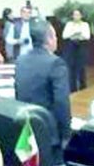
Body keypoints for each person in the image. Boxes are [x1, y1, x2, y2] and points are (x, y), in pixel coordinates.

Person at [15, 18, 72, 147]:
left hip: (26, 126)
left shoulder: (21, 60)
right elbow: (61, 101)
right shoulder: (56, 63)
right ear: (49, 39)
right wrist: (66, 133)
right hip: (49, 130)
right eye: (55, 36)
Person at [61, 8, 90, 93]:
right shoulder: (69, 24)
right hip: (71, 45)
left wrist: (80, 34)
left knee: (81, 67)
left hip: (81, 45)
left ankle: (83, 87)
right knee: (71, 67)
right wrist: (73, 33)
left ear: (81, 16)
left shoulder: (85, 24)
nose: (76, 16)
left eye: (78, 14)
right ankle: (72, 88)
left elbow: (87, 36)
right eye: (74, 15)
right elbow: (64, 36)